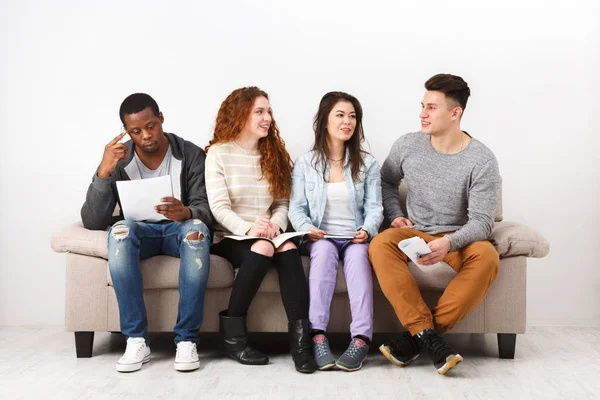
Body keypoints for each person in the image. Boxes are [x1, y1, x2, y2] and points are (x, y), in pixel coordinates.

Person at [369, 74, 500, 375]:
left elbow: (482, 221)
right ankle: (429, 338)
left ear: (455, 113)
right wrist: (394, 215)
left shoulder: (481, 160)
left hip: (458, 237)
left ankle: (419, 336)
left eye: (431, 107)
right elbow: (386, 182)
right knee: (380, 244)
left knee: (488, 257)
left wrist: (450, 242)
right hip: (414, 230)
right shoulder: (407, 144)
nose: (422, 114)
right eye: (422, 106)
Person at [81, 93, 213, 373]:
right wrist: (104, 172)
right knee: (119, 231)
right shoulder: (119, 159)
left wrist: (187, 212)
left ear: (161, 118)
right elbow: (93, 219)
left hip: (180, 230)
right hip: (141, 232)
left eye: (151, 126)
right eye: (136, 131)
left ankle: (187, 340)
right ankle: (136, 339)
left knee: (197, 232)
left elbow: (207, 209)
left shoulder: (189, 154)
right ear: (127, 132)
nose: (145, 136)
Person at [205, 86, 316, 374]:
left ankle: (301, 344)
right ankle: (233, 337)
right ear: (240, 115)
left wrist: (276, 225)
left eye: (268, 111)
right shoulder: (218, 153)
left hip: (269, 231)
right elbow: (219, 208)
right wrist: (250, 227)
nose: (267, 118)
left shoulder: (274, 152)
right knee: (265, 246)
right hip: (231, 236)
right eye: (259, 111)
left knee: (288, 246)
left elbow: (282, 202)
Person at [288, 92, 383, 371]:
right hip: (322, 237)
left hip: (355, 237)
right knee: (322, 260)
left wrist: (367, 229)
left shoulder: (368, 164)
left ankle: (361, 340)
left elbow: (375, 208)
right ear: (325, 121)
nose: (347, 122)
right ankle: (317, 337)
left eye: (352, 116)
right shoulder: (306, 163)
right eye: (340, 115)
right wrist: (308, 229)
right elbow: (296, 208)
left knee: (358, 264)